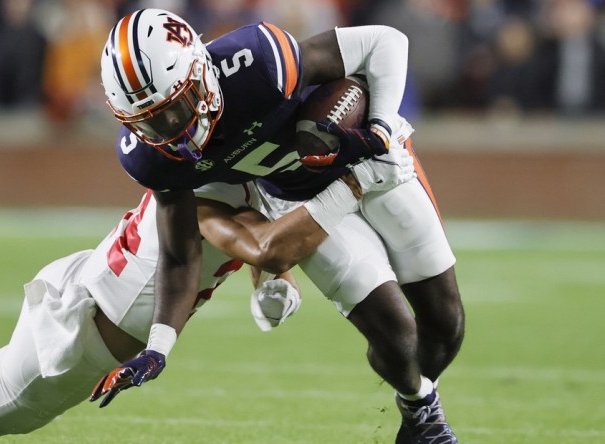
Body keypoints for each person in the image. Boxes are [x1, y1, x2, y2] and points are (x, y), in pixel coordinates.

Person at [0, 172, 415, 442]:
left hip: (94, 287)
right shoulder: (207, 194)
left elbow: (262, 248)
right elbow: (260, 241)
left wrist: (267, 282)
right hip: (71, 349)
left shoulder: (224, 167)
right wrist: (356, 183)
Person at [96, 8, 464, 444]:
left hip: (372, 162)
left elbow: (385, 41)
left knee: (445, 325)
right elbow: (179, 253)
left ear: (199, 73)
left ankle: (419, 408)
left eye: (175, 111)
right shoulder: (151, 156)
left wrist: (381, 130)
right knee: (396, 335)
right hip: (305, 201)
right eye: (150, 122)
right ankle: (421, 413)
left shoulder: (257, 63)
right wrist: (157, 348)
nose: (169, 131)